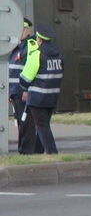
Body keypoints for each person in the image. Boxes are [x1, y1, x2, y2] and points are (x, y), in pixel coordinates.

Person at [17, 22, 62, 155]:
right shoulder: (58, 54)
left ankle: (52, 152)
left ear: (39, 39)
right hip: (52, 97)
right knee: (43, 125)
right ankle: (36, 153)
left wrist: (24, 88)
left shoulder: (37, 54)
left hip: (37, 97)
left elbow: (25, 77)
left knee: (42, 126)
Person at [8, 18, 36, 147]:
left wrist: (27, 89)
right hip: (15, 91)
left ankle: (27, 149)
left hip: (23, 91)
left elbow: (32, 68)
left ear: (26, 30)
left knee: (26, 123)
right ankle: (23, 148)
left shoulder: (29, 45)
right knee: (20, 122)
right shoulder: (16, 47)